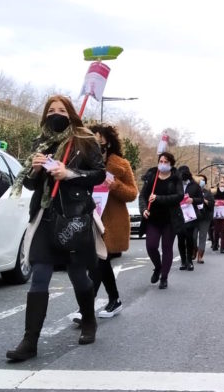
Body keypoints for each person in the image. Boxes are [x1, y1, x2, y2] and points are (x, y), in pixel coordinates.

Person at [6, 95, 105, 362]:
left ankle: (88, 320)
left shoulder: (84, 140)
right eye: (51, 110)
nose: (56, 114)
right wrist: (36, 170)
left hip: (73, 217)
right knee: (39, 274)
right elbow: (30, 184)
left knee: (78, 274)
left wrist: (69, 174)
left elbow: (99, 174)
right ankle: (30, 341)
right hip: (45, 215)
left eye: (61, 110)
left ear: (71, 113)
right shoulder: (41, 141)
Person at [89, 124, 138, 319]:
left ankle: (87, 307)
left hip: (111, 220)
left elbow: (132, 193)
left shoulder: (121, 164)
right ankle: (114, 300)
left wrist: (115, 185)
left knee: (100, 261)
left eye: (99, 139)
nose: (96, 143)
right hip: (89, 217)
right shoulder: (85, 162)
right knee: (99, 262)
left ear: (108, 142)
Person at [139, 152, 184, 289]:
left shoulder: (176, 178)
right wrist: (144, 209)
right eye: (161, 161)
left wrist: (159, 198)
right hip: (153, 218)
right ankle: (158, 267)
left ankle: (164, 277)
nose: (163, 164)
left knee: (167, 248)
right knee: (151, 246)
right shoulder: (152, 176)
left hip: (170, 219)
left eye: (166, 162)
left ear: (171, 164)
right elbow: (142, 196)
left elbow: (179, 196)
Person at [177, 165, 202, 271]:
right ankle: (183, 261)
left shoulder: (195, 186)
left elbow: (200, 199)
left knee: (190, 238)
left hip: (190, 216)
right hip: (178, 215)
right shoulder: (175, 185)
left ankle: (189, 261)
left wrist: (192, 200)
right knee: (180, 239)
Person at [194, 174, 214, 263]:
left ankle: (200, 256)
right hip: (194, 217)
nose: (200, 181)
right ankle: (194, 250)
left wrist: (204, 200)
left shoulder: (208, 193)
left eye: (202, 180)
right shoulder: (192, 191)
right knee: (193, 236)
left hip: (205, 218)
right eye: (199, 180)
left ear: (205, 182)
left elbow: (212, 204)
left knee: (202, 236)